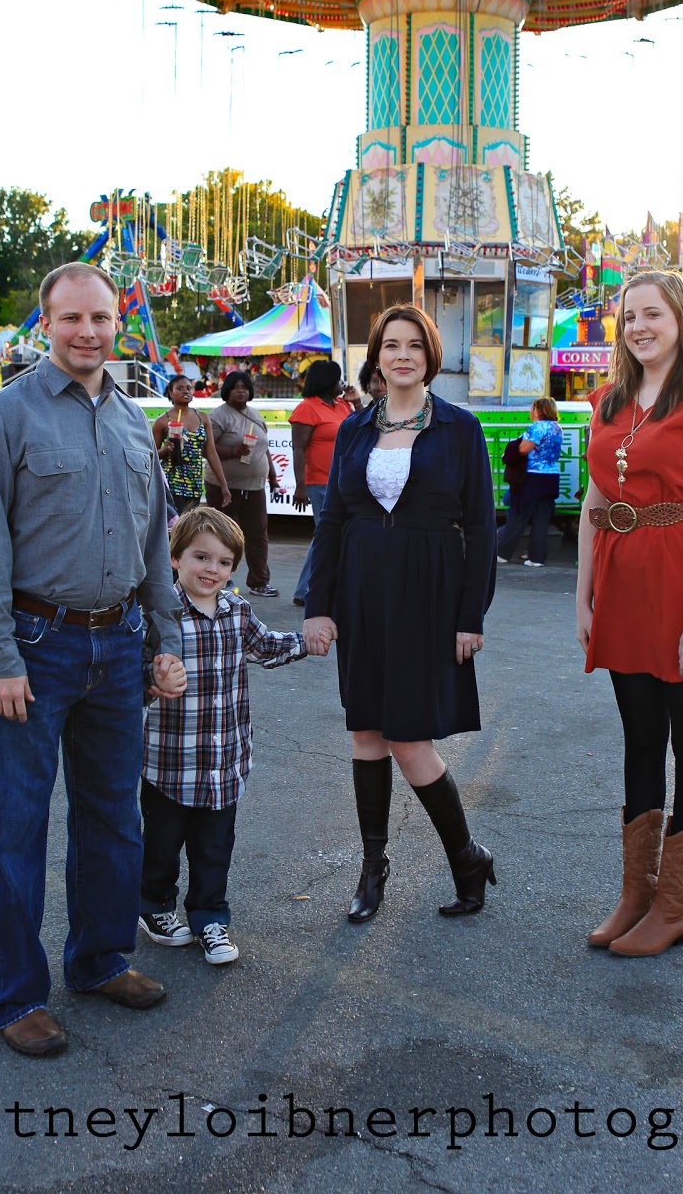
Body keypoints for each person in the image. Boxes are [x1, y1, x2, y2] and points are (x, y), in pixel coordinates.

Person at [0, 262, 187, 1058]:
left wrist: (166, 641)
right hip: (36, 648)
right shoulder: (6, 416)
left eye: (99, 319)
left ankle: (98, 960)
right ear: (44, 326)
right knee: (15, 827)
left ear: (114, 323)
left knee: (113, 821)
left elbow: (156, 543)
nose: (87, 331)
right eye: (70, 319)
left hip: (120, 646)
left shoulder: (131, 420)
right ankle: (17, 996)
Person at [303, 305, 498, 923]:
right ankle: (372, 868)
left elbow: (483, 530)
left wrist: (472, 616)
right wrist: (318, 605)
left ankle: (466, 858)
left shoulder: (461, 429)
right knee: (366, 732)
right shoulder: (357, 429)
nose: (403, 355)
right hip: (362, 591)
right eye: (392, 345)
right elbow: (332, 519)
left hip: (429, 596)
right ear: (377, 355)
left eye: (415, 345)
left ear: (430, 355)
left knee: (410, 739)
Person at [576, 271, 683, 958]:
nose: (638, 326)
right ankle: (635, 895)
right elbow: (591, 502)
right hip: (621, 584)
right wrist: (582, 596)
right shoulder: (608, 400)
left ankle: (675, 906)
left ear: (679, 319)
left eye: (652, 313)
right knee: (638, 739)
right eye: (628, 317)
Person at [139, 507, 319, 962]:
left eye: (223, 563)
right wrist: (151, 677)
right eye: (201, 557)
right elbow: (133, 677)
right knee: (161, 846)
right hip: (170, 763)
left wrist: (306, 641)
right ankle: (154, 906)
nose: (212, 570)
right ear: (175, 559)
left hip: (224, 761)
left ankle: (210, 920)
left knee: (214, 849)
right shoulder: (161, 614)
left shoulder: (236, 610)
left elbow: (264, 646)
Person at [289, 361, 361, 606]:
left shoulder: (342, 405)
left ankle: (306, 589)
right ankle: (309, 590)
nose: (342, 384)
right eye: (338, 380)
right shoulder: (307, 408)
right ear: (328, 382)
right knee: (327, 534)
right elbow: (298, 448)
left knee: (326, 534)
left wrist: (356, 402)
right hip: (319, 482)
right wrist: (300, 486)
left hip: (343, 480)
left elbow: (361, 428)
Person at [207, 371, 280, 598]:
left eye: (245, 387)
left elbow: (264, 449)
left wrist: (273, 477)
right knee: (222, 535)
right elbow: (207, 448)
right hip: (224, 486)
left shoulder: (255, 415)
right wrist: (233, 451)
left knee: (258, 535)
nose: (241, 391)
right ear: (227, 390)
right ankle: (219, 580)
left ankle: (259, 581)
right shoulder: (218, 416)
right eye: (236, 387)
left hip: (255, 487)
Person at [496, 397, 563, 567]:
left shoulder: (538, 427)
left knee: (518, 515)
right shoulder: (557, 428)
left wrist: (514, 446)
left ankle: (503, 554)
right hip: (551, 476)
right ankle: (536, 558)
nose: (530, 411)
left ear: (538, 410)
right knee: (542, 520)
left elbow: (524, 449)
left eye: (532, 408)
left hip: (532, 477)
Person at [152, 374, 231, 516]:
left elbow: (211, 453)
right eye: (180, 388)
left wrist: (223, 485)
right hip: (172, 483)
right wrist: (165, 449)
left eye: (188, 388)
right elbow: (150, 455)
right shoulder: (163, 421)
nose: (186, 391)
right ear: (171, 393)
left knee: (190, 528)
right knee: (177, 527)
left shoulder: (203, 418)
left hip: (194, 483)